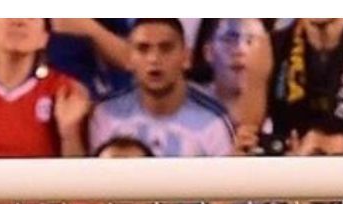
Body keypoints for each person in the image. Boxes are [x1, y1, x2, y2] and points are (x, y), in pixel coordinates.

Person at [88, 17, 236, 155]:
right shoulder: (106, 114)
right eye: (143, 49)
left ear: (186, 58)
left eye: (166, 48)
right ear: (130, 58)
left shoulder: (213, 121)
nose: (154, 59)